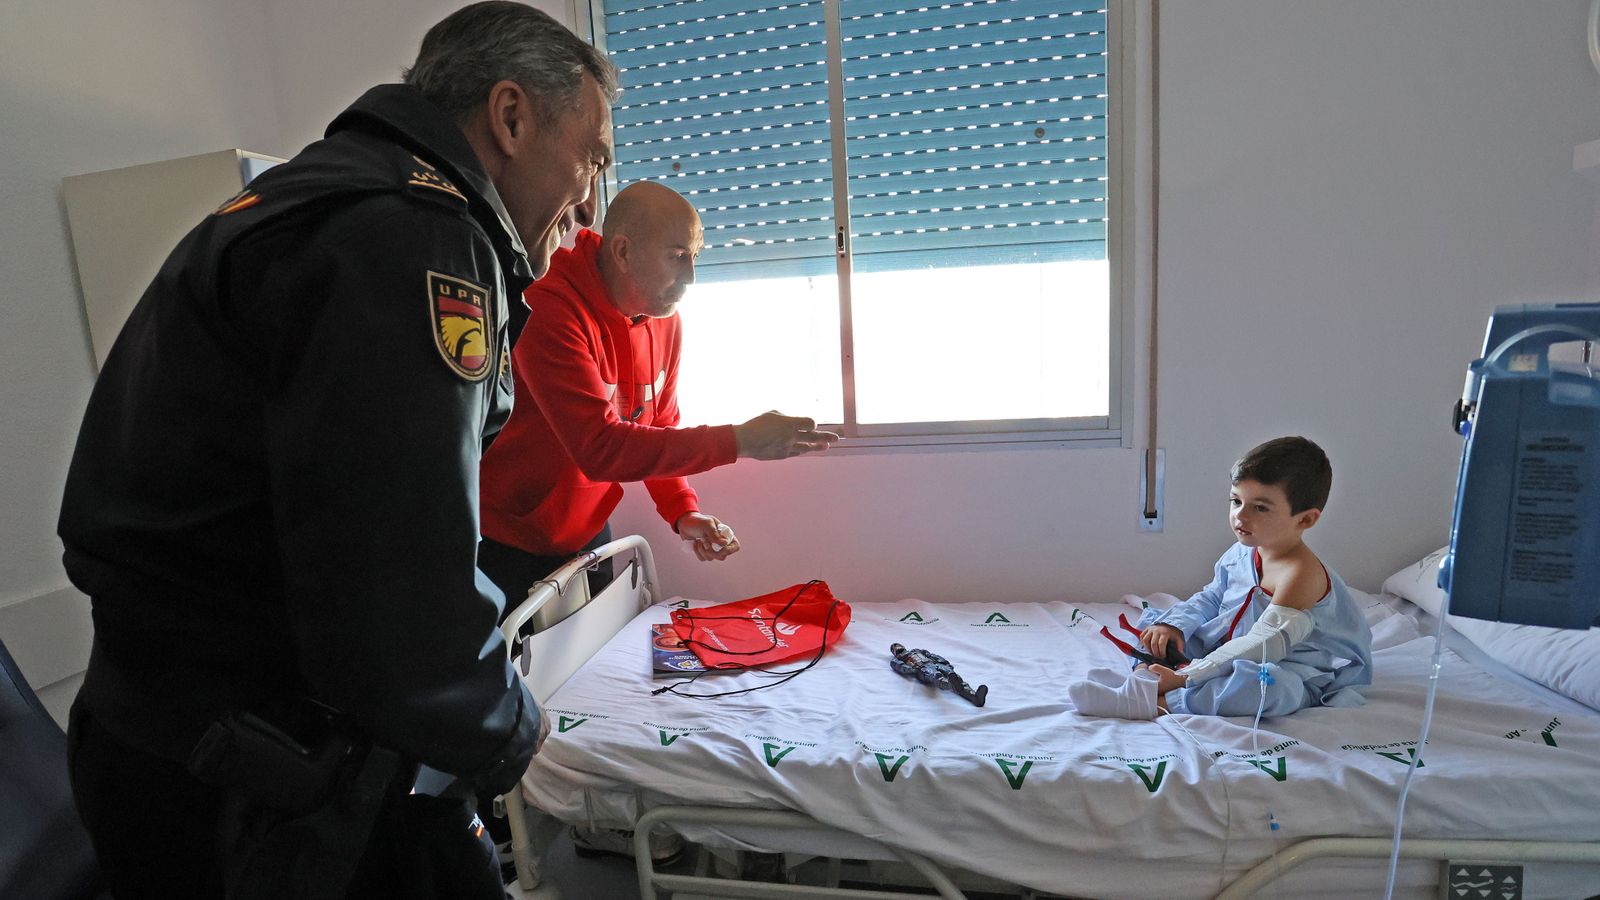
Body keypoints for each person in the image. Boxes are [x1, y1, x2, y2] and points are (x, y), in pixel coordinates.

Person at [55, 4, 618, 898]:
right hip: (251, 778)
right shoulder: (414, 237)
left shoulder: (320, 199)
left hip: (180, 736)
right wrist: (514, 733)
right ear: (511, 117)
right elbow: (400, 583)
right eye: (590, 158)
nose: (588, 204)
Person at [477, 180, 838, 610]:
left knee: (595, 652)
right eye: (678, 256)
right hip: (507, 537)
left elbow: (657, 427)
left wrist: (682, 511)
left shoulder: (665, 320)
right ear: (623, 252)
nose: (691, 276)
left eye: (695, 257)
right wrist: (740, 440)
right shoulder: (549, 306)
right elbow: (600, 448)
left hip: (587, 532)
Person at [1068, 436, 1372, 719]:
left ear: (1305, 519)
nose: (1241, 516)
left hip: (1280, 664)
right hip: (1225, 647)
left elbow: (1263, 644)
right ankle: (1146, 678)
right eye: (1236, 501)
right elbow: (1212, 597)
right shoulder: (1244, 550)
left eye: (1260, 507)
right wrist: (1175, 626)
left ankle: (1158, 702)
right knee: (1158, 629)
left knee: (1269, 689)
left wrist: (1186, 676)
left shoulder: (1300, 575)